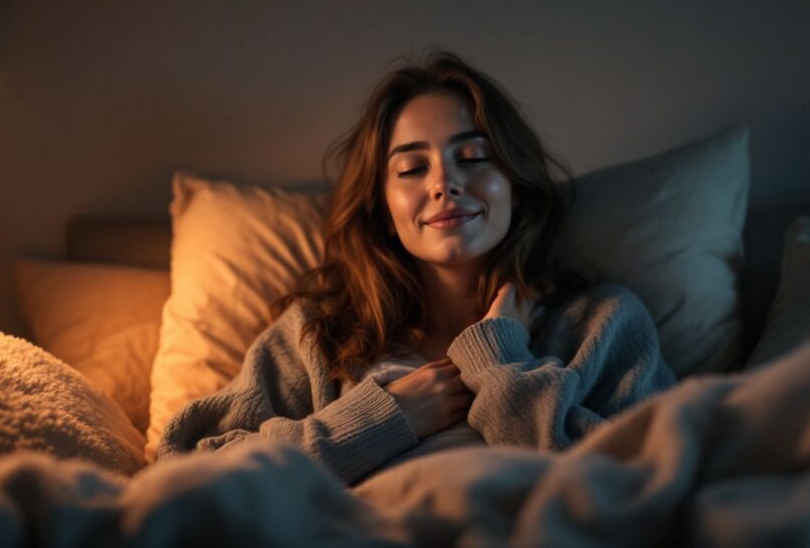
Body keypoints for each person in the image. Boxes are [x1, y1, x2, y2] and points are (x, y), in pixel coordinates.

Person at [157, 49, 676, 485]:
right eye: (411, 168)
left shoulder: (602, 324)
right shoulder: (318, 336)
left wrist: (499, 362)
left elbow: (647, 481)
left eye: (473, 157)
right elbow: (183, 471)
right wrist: (382, 419)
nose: (443, 184)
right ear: (383, 209)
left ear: (515, 186)